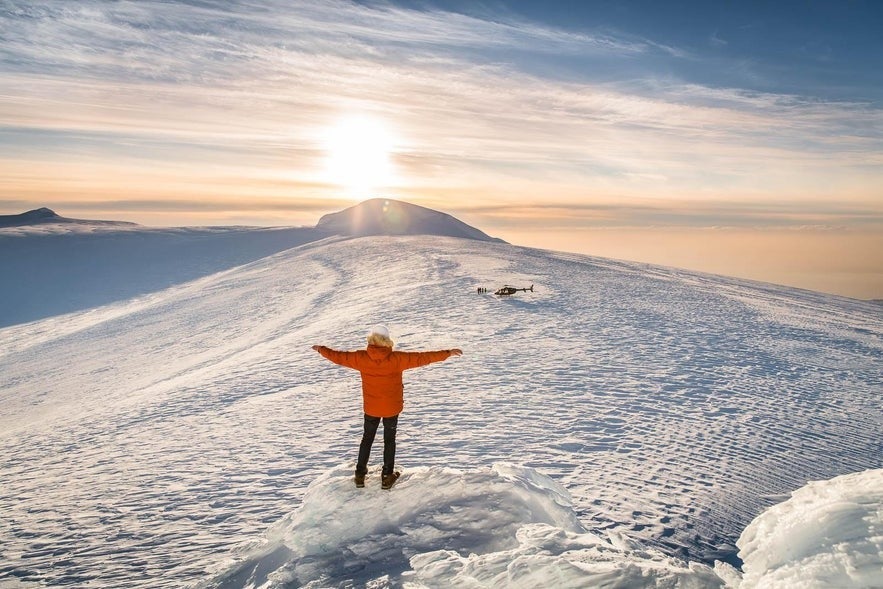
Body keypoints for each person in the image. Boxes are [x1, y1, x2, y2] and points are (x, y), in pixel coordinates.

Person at [312, 325, 462, 490]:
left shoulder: (361, 357)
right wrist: (447, 353)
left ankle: (360, 475)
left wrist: (321, 349)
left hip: (371, 408)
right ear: (387, 340)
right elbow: (422, 358)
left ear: (371, 339)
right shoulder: (396, 358)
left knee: (367, 438)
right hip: (391, 408)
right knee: (389, 440)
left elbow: (339, 357)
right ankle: (387, 476)